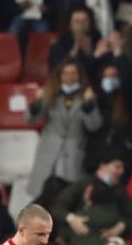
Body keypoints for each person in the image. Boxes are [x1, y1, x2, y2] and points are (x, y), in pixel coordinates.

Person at [49, 152, 132, 245]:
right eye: (117, 166)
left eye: (122, 168)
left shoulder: (120, 191)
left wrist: (122, 226)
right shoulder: (82, 185)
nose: (121, 171)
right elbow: (56, 208)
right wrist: (71, 218)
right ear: (103, 166)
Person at [26, 59, 105, 197]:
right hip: (49, 153)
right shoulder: (50, 94)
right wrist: (37, 103)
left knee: (68, 197)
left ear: (79, 76)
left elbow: (94, 126)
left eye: (74, 73)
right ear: (59, 76)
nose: (69, 78)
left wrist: (88, 106)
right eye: (66, 74)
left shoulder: (87, 97)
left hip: (73, 154)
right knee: (44, 196)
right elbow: (31, 119)